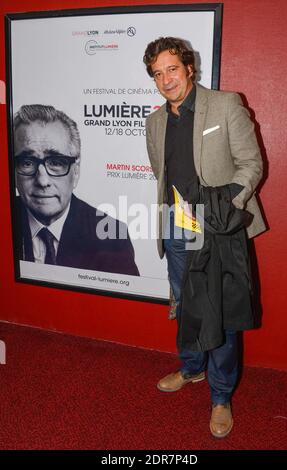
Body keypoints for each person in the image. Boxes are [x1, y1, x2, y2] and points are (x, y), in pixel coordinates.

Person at [143, 37, 266, 438]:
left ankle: (221, 396)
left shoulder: (225, 104)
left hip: (218, 228)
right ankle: (193, 369)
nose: (166, 80)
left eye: (172, 69)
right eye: (158, 74)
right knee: (185, 303)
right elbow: (162, 173)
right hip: (178, 225)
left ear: (190, 68)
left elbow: (251, 164)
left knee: (223, 313)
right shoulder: (155, 121)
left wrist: (224, 204)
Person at [13, 104, 139, 276]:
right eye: (27, 163)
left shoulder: (111, 236)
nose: (42, 181)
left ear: (76, 170)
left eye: (56, 162)